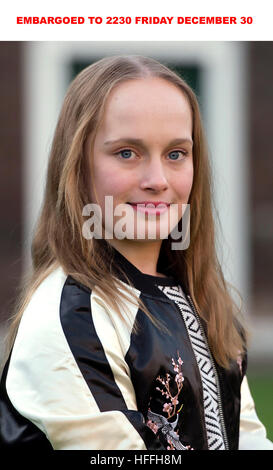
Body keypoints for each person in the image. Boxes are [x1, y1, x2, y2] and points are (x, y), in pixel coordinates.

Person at [0, 55, 272, 451]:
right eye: (127, 152)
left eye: (176, 154)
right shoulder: (74, 316)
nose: (157, 180)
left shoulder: (208, 301)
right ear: (77, 166)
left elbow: (247, 438)